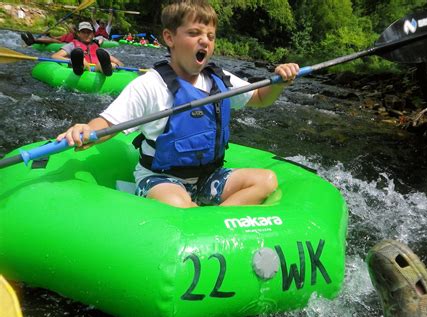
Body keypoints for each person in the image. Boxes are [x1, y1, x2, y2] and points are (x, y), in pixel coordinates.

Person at [57, 0, 299, 208]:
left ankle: (212, 219)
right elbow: (109, 123)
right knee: (176, 203)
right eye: (195, 33)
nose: (205, 41)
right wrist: (87, 130)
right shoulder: (151, 85)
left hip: (209, 177)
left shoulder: (219, 78)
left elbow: (258, 98)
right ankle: (201, 218)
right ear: (170, 38)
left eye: (211, 36)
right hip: (162, 179)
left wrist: (278, 83)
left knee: (266, 180)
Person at [52, 22, 123, 76]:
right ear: (79, 34)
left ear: (93, 34)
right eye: (83, 32)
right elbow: (55, 56)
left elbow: (118, 62)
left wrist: (118, 66)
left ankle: (106, 70)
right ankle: (79, 67)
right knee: (82, 60)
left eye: (89, 32)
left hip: (96, 68)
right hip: (83, 66)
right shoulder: (72, 45)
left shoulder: (97, 47)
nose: (86, 35)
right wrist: (71, 60)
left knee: (106, 64)